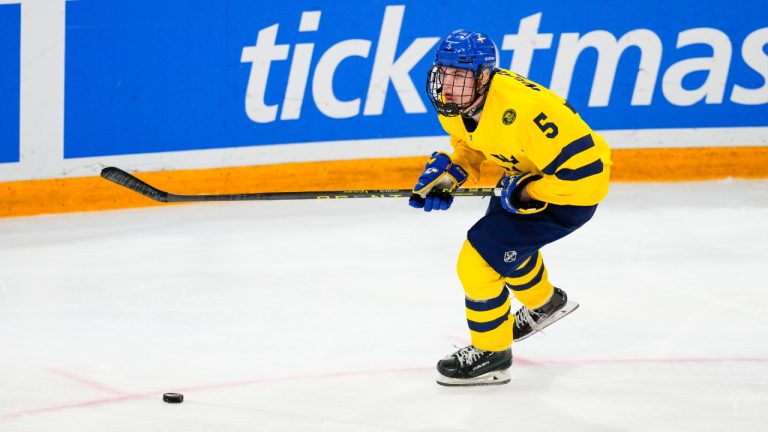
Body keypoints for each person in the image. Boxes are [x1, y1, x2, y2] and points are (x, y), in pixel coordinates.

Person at [409, 29, 611, 386]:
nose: (449, 86)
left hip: (567, 197)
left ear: (484, 76)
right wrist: (451, 175)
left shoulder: (527, 111)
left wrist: (530, 191)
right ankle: (546, 304)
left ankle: (492, 353)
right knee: (505, 252)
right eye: (444, 73)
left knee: (476, 263)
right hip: (524, 180)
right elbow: (473, 146)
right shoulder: (458, 104)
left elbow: (590, 177)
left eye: (460, 75)